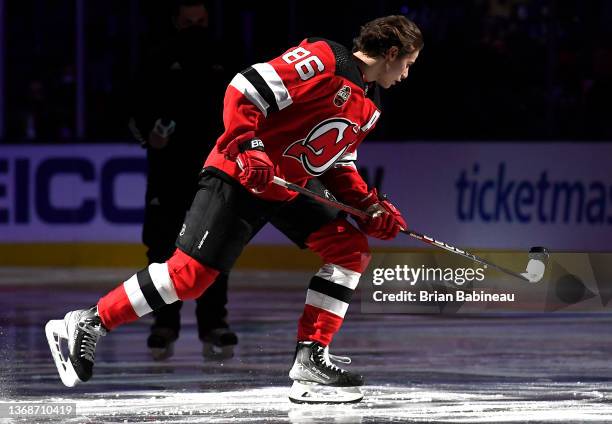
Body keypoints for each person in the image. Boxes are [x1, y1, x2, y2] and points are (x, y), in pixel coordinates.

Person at [45, 15, 423, 403]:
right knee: (190, 277)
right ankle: (88, 321)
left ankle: (310, 359)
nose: (407, 73)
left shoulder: (371, 104)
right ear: (391, 53)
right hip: (240, 173)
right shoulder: (326, 59)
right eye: (408, 63)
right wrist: (249, 147)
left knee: (350, 249)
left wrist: (368, 205)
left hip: (285, 185)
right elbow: (244, 88)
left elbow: (337, 162)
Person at [129, 0, 237, 360]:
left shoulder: (226, 57)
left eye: (202, 21)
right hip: (168, 173)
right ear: (176, 21)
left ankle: (214, 325)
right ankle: (164, 324)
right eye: (189, 21)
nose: (196, 27)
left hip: (215, 171)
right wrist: (148, 135)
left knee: (214, 247)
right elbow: (132, 108)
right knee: (161, 249)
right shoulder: (156, 57)